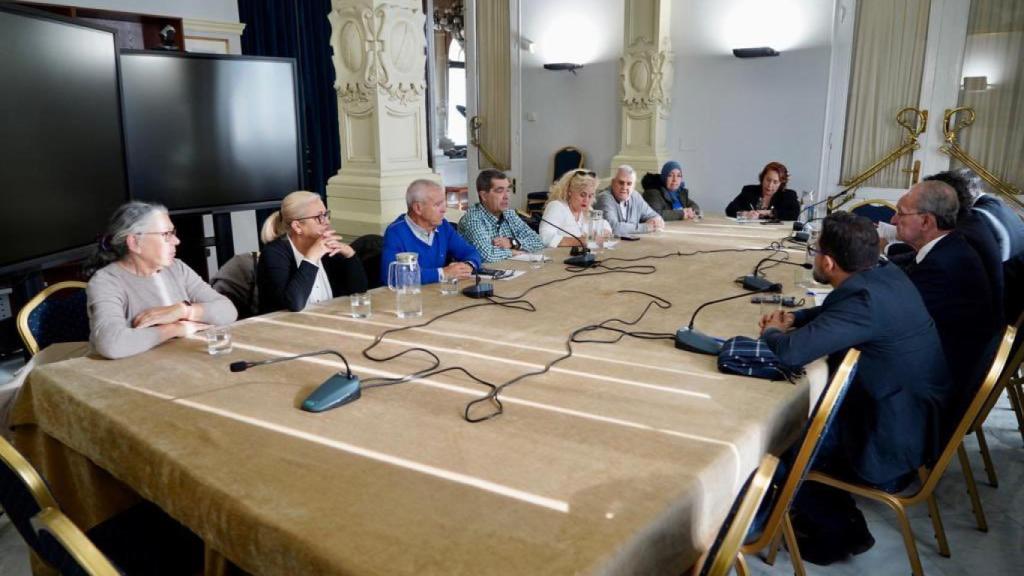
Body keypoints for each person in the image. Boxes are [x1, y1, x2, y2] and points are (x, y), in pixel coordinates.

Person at [759, 212, 952, 565]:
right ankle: (840, 527)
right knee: (805, 418)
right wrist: (798, 319)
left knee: (784, 437)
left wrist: (772, 331)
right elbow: (840, 311)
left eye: (817, 251)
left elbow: (791, 353)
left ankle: (819, 533)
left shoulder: (864, 301)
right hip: (914, 413)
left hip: (890, 439)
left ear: (828, 262)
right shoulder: (884, 274)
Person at [891, 180, 998, 427]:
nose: (894, 220)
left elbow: (892, 316)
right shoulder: (950, 247)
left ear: (927, 221)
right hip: (938, 367)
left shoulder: (943, 266)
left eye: (901, 213)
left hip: (928, 393)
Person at [86, 202, 237, 360]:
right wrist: (176, 328)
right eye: (166, 234)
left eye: (173, 232)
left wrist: (182, 311)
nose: (177, 241)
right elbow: (112, 344)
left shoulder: (177, 268)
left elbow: (228, 311)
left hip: (176, 362)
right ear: (135, 242)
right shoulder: (106, 282)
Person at [257, 191, 367, 313]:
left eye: (326, 215)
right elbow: (294, 304)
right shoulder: (273, 254)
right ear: (297, 226)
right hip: (288, 328)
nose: (327, 222)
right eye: (319, 217)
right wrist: (312, 257)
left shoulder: (327, 249)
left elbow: (359, 293)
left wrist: (350, 255)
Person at [381, 179, 481, 285]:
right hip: (408, 298)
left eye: (444, 203)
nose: (444, 210)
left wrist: (468, 266)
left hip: (437, 294)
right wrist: (443, 273)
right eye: (438, 204)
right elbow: (394, 277)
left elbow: (471, 252)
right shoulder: (395, 233)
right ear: (418, 208)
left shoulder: (443, 226)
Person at [458, 169, 545, 262]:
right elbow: (488, 256)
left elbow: (538, 242)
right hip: (481, 274)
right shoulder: (473, 219)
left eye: (507, 190)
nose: (506, 196)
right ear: (483, 196)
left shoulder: (509, 213)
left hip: (512, 270)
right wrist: (512, 252)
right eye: (500, 191)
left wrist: (512, 243)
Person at [538, 169, 612, 248]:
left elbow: (605, 225)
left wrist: (603, 233)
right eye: (582, 195)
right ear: (570, 192)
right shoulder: (557, 206)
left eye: (590, 196)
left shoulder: (586, 210)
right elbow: (545, 238)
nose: (586, 200)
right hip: (557, 257)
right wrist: (581, 241)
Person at [595, 165, 664, 235]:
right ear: (612, 182)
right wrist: (645, 227)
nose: (624, 187)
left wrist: (655, 222)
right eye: (621, 183)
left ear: (633, 186)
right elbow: (613, 228)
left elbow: (655, 217)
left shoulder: (635, 196)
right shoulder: (604, 198)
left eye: (629, 184)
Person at [725, 161, 800, 221]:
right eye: (768, 180)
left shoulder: (788, 195)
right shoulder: (749, 190)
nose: (770, 185)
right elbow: (730, 209)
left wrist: (769, 213)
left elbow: (794, 214)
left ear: (781, 183)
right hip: (750, 232)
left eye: (775, 182)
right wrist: (746, 214)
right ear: (762, 178)